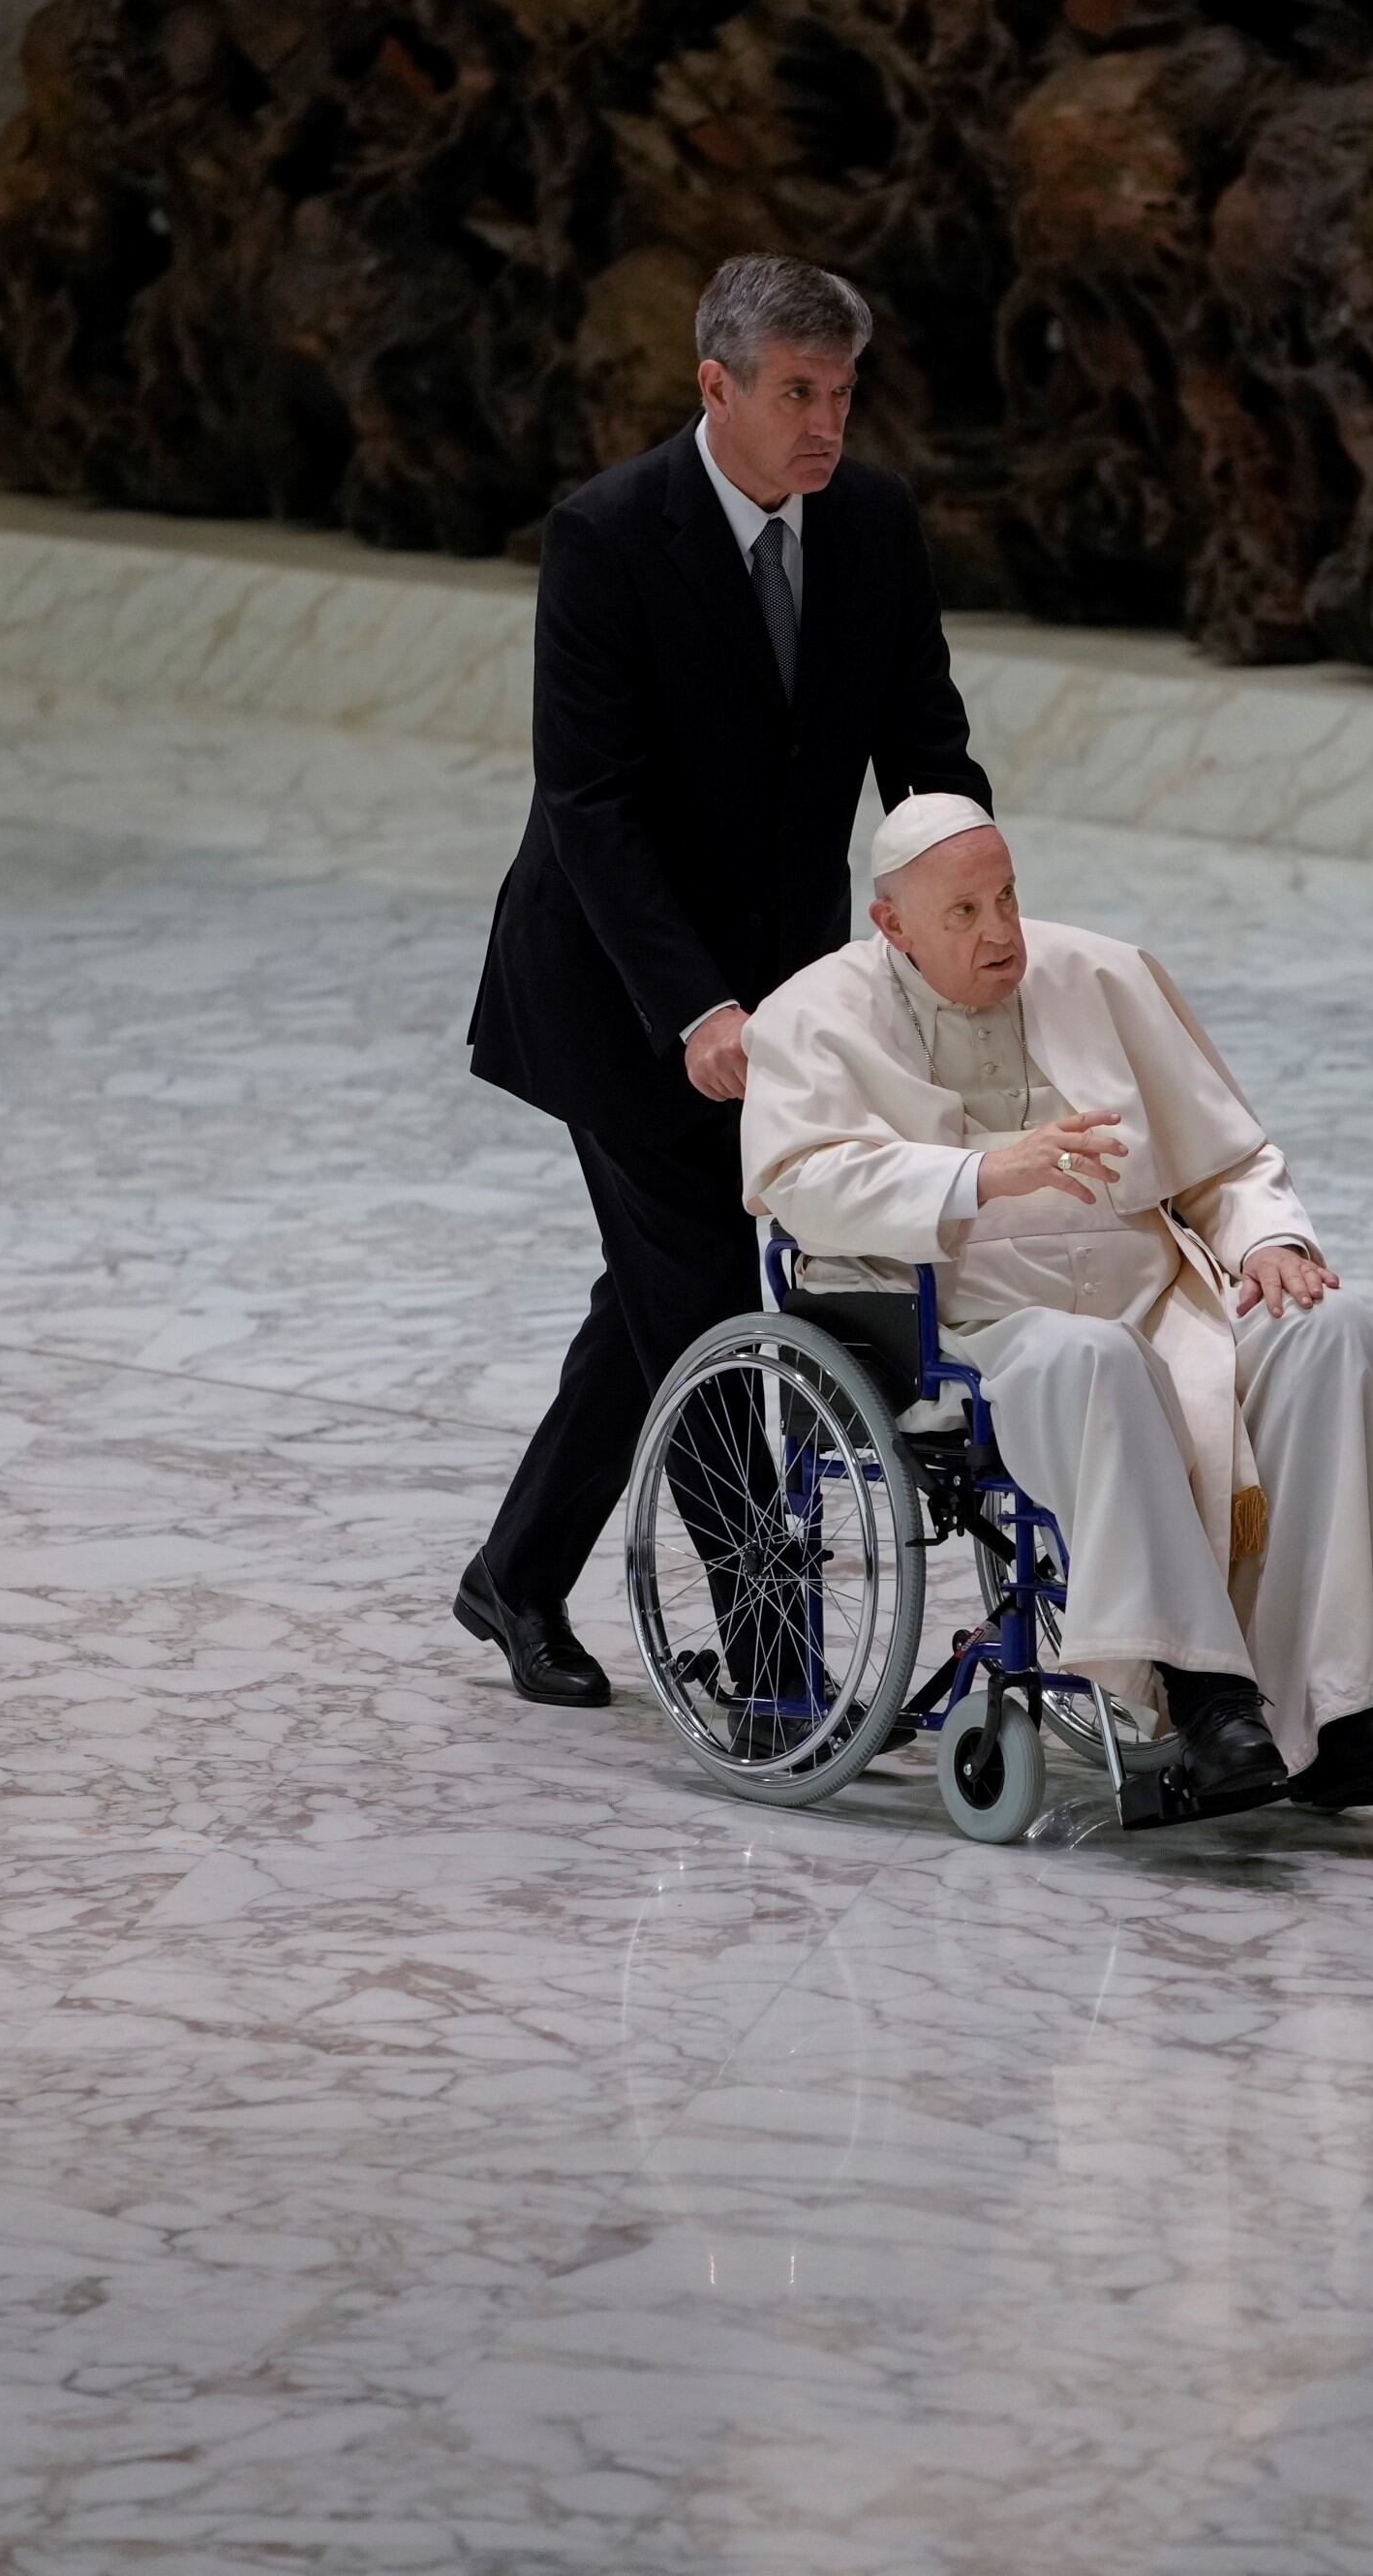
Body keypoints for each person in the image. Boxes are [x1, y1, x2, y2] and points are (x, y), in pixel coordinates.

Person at [456, 258, 994, 1705]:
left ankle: (510, 1579)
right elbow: (594, 804)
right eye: (797, 395)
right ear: (718, 387)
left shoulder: (871, 522)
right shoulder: (608, 537)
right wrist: (696, 1007)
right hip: (617, 995)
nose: (826, 426)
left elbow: (925, 743)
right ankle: (778, 1676)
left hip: (787, 986)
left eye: (843, 393)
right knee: (701, 1306)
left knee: (653, 1292)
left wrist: (964, 911)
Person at [737, 797, 1373, 1815]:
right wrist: (979, 1176)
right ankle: (1207, 1696)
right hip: (968, 1326)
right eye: (963, 913)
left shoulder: (1099, 973)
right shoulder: (810, 1016)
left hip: (1157, 1298)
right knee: (1086, 1358)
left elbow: (1225, 1159)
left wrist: (1266, 1236)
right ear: (893, 925)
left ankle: (1342, 1706)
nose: (1001, 932)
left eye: (1006, 897)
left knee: (1329, 1330)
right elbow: (802, 1181)